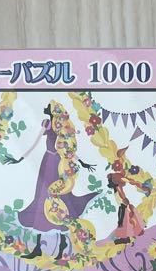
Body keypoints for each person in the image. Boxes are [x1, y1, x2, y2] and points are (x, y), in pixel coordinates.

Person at [8, 101, 97, 258]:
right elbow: (35, 143)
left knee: (60, 200)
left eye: (48, 107)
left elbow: (67, 150)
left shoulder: (62, 128)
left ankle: (62, 246)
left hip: (58, 166)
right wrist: (20, 158)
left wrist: (82, 162)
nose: (45, 108)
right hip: (48, 163)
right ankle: (38, 247)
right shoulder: (47, 124)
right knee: (41, 199)